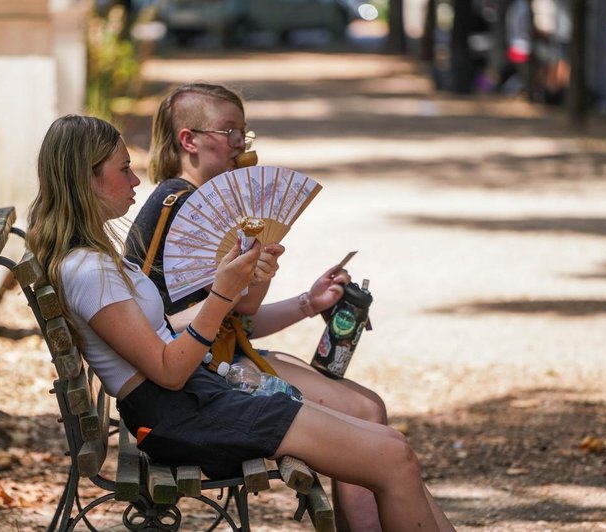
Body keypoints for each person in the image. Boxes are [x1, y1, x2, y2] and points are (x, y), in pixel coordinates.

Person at [26, 114, 454, 531]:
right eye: (123, 170)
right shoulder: (88, 271)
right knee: (393, 460)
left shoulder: (92, 260)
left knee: (393, 447)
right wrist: (222, 293)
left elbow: (164, 335)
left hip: (197, 399)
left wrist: (233, 284)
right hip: (182, 414)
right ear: (87, 179)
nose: (136, 181)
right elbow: (169, 370)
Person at [126, 83, 391, 529]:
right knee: (365, 414)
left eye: (243, 134)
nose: (240, 146)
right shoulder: (183, 208)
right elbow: (196, 324)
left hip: (217, 362)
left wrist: (308, 302)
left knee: (369, 407)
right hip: (203, 380)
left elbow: (236, 319)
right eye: (229, 132)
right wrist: (253, 282)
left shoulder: (199, 207)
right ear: (189, 140)